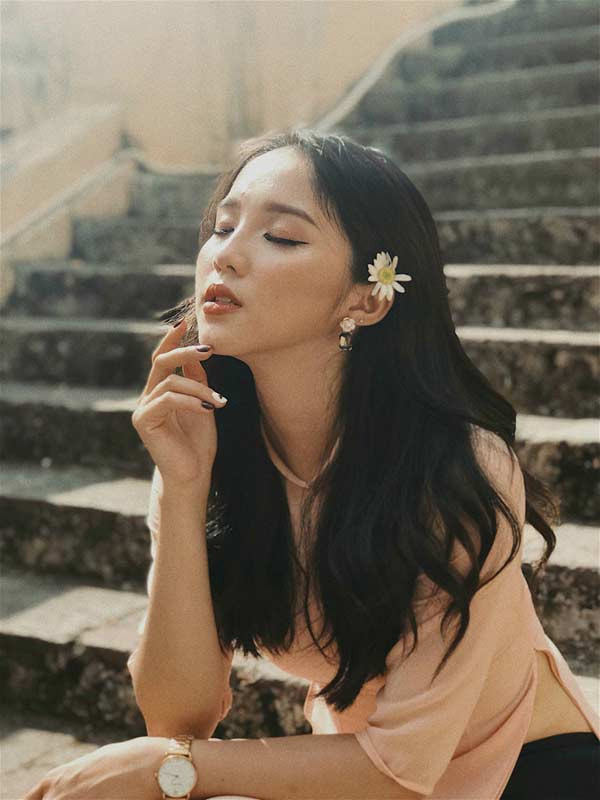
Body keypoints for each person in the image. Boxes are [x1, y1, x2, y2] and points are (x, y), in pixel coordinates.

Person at [25, 129, 599, 800]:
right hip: (359, 770)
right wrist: (182, 490)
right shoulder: (205, 444)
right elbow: (178, 718)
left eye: (282, 237)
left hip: (528, 772)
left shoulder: (455, 470)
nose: (226, 255)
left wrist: (168, 769)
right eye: (223, 226)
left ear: (367, 299)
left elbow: (397, 772)